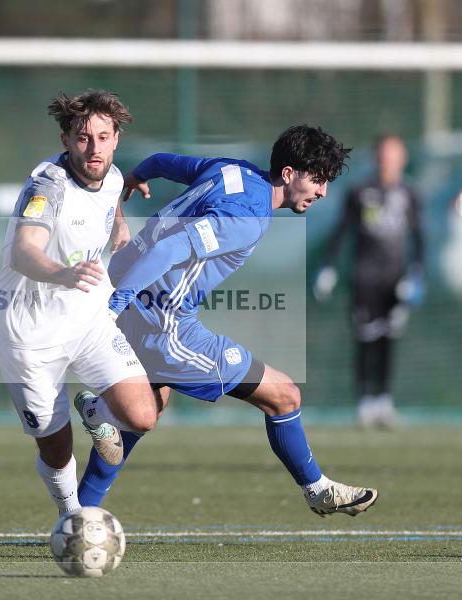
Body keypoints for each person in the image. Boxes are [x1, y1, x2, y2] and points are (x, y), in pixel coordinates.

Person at [72, 125, 379, 517]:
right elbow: (170, 248)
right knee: (284, 395)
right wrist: (113, 308)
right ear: (288, 174)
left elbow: (165, 162)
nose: (322, 192)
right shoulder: (248, 215)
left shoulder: (230, 170)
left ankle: (78, 514)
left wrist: (136, 176)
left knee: (145, 410)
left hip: (136, 298)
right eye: (317, 180)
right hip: (164, 326)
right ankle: (317, 489)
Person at [0, 90, 158, 516]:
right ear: (66, 140)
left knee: (142, 415)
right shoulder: (48, 185)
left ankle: (94, 409)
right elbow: (24, 250)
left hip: (87, 316)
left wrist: (118, 224)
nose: (94, 147)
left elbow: (109, 197)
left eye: (103, 137)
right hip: (28, 329)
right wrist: (61, 273)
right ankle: (72, 516)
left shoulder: (114, 175)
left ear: (116, 138)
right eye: (83, 138)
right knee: (56, 449)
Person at [313, 134, 424, 428]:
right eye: (384, 156)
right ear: (376, 158)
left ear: (403, 159)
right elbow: (341, 230)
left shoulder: (409, 193)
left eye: (394, 156)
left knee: (389, 338)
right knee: (365, 338)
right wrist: (329, 267)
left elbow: (418, 236)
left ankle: (384, 400)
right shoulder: (361, 192)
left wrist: (416, 272)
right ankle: (364, 401)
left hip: (395, 279)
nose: (388, 162)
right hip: (365, 276)